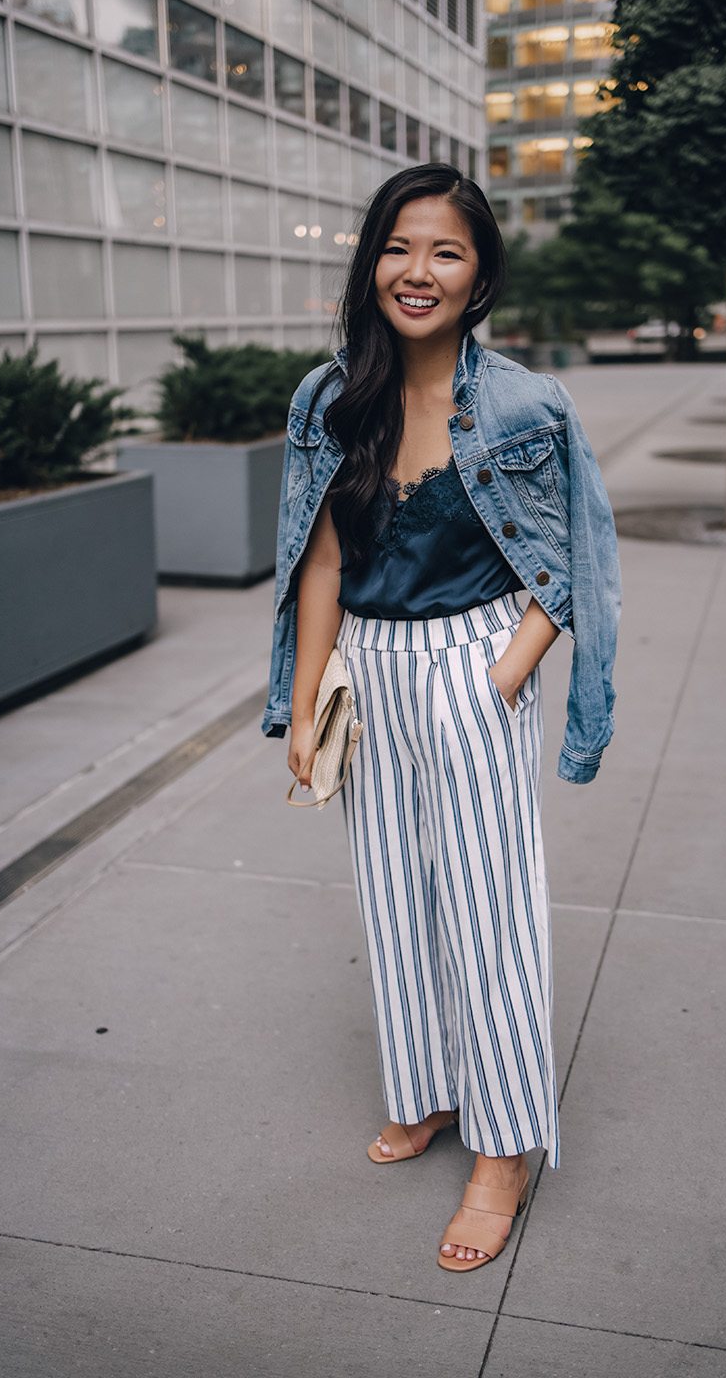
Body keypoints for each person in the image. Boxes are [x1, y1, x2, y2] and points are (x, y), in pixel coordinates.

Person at [263, 163, 620, 1272]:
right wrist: (304, 703)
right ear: (371, 258)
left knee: (490, 911)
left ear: (479, 277)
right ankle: (422, 1092)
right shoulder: (327, 400)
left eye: (446, 252)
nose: (417, 271)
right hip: (367, 671)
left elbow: (575, 563)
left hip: (472, 664)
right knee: (394, 899)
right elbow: (319, 556)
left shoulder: (525, 403)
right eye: (398, 247)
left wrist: (506, 674)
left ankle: (504, 1147)